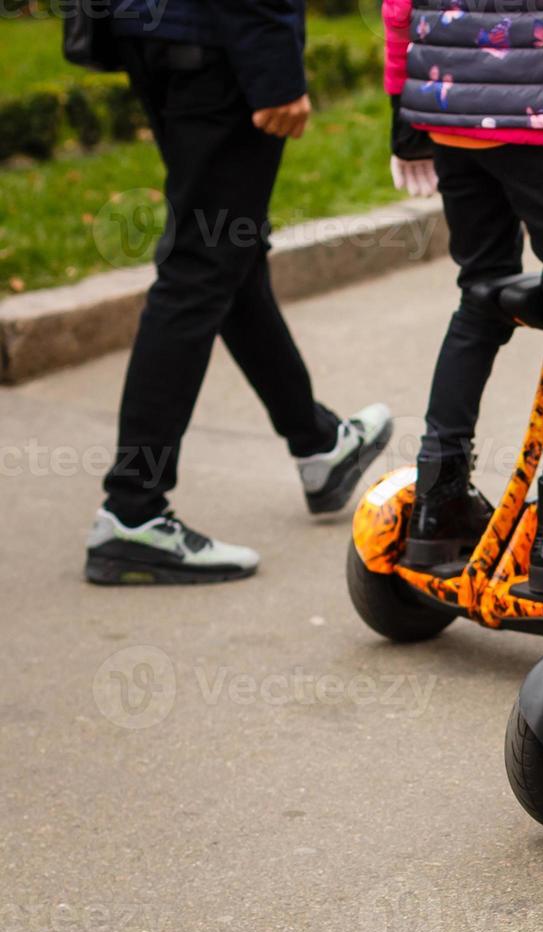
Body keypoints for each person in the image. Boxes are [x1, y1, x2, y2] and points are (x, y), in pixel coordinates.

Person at [84, 0, 391, 586]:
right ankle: (132, 509)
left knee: (229, 253)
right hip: (219, 40)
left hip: (153, 30)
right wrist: (274, 66)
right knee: (201, 264)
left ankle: (318, 445)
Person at [381, 0, 543, 596]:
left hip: (449, 111)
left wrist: (402, 113)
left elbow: (397, 10)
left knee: (480, 292)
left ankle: (437, 505)